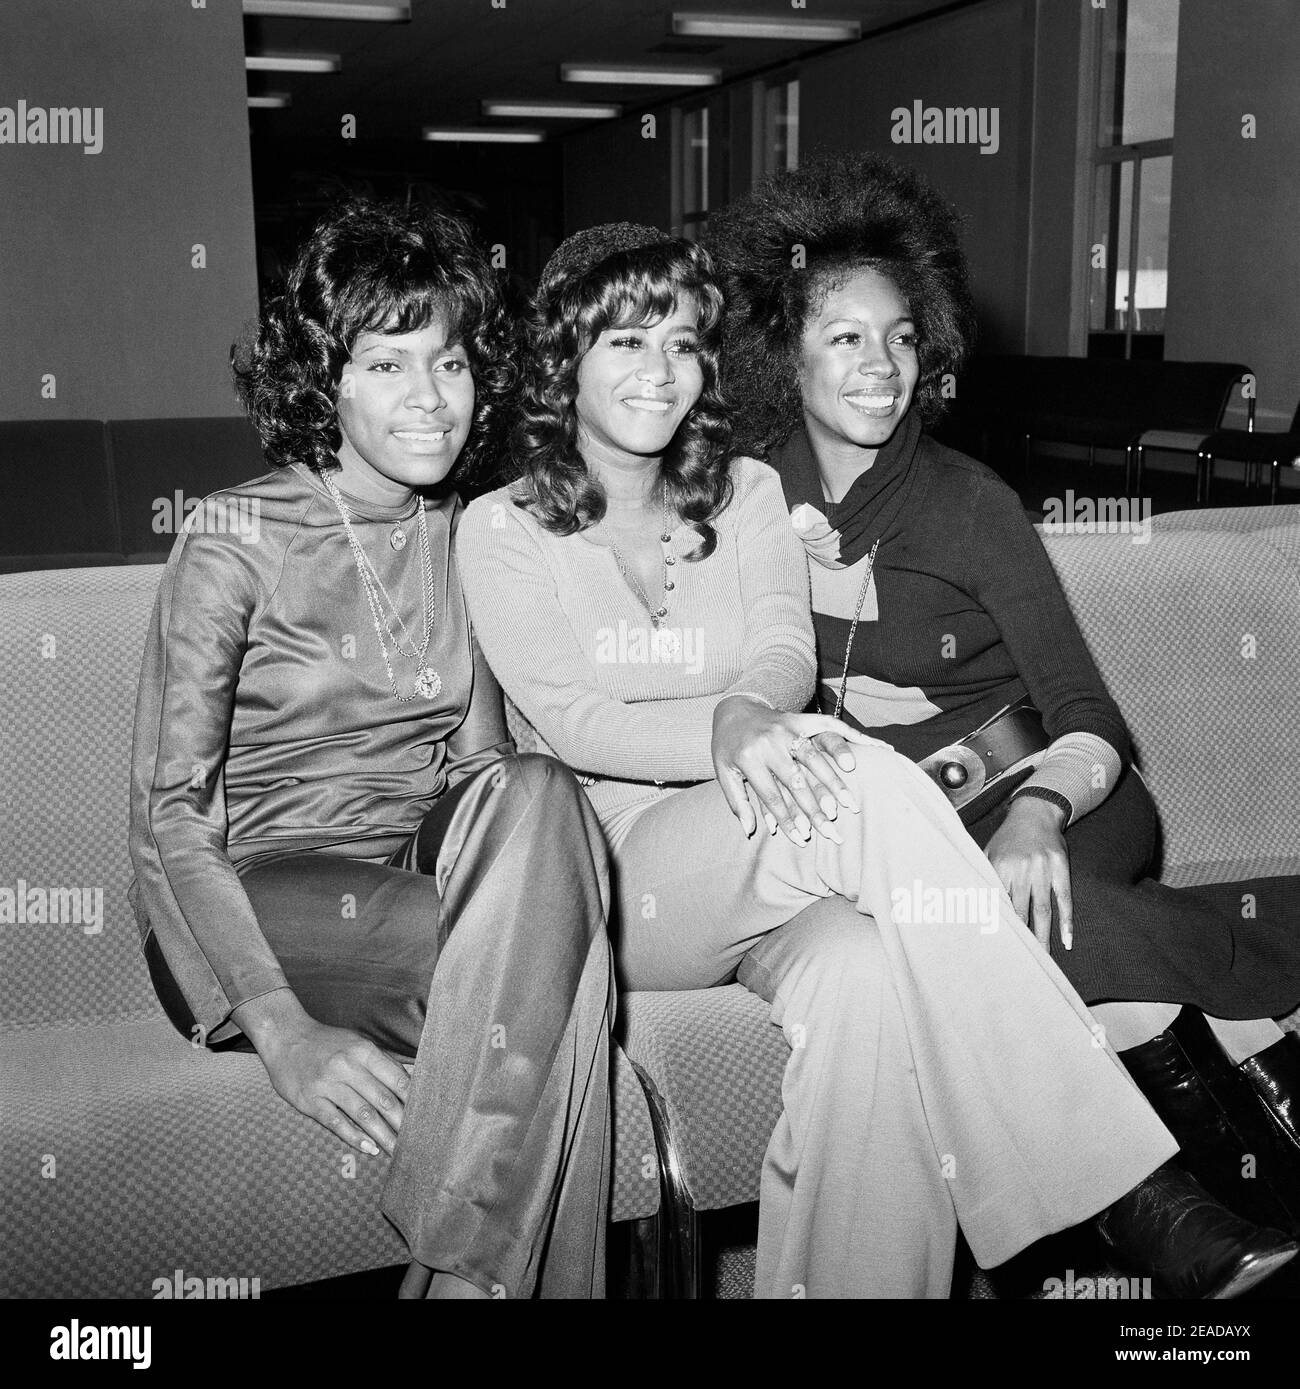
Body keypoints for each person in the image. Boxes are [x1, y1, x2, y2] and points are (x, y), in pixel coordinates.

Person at [454, 221, 1297, 1298]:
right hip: (622, 866)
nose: (657, 371)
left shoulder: (745, 493)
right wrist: (722, 731)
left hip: (779, 832)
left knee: (870, 988)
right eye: (623, 343)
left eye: (678, 342)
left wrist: (754, 713)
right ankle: (1125, 1191)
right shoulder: (501, 526)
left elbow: (777, 648)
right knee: (851, 770)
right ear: (562, 359)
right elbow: (570, 717)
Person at [705, 150, 1300, 1236]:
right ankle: (1244, 1065)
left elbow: (1090, 718)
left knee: (1000, 925)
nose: (880, 365)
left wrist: (1035, 812)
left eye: (898, 337)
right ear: (779, 355)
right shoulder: (749, 496)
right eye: (843, 337)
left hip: (1045, 795)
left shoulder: (969, 504)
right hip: (897, 827)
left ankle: (1270, 961)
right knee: (937, 933)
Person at [128, 198, 614, 1300]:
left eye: (448, 363)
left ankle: (461, 1273)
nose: (429, 400)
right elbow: (169, 817)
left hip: (417, 881)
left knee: (540, 793)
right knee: (564, 978)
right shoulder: (233, 537)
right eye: (388, 365)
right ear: (326, 381)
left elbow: (485, 776)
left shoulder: (474, 531)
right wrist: (279, 1027)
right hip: (254, 893)